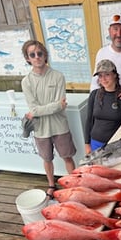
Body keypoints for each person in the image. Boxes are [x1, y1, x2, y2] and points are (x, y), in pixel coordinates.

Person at [21, 40, 76, 199]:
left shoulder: (58, 76)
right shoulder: (26, 82)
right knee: (47, 159)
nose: (37, 57)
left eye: (40, 53)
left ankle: (74, 184)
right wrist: (55, 106)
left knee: (67, 156)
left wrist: (40, 110)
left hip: (60, 126)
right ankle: (51, 185)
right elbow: (35, 109)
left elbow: (59, 105)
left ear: (45, 55)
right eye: (32, 54)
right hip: (40, 129)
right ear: (27, 58)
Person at [85, 59, 121, 153]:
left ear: (114, 75)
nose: (103, 79)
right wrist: (87, 143)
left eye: (107, 74)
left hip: (116, 144)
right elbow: (89, 120)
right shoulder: (94, 94)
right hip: (95, 142)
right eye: (100, 75)